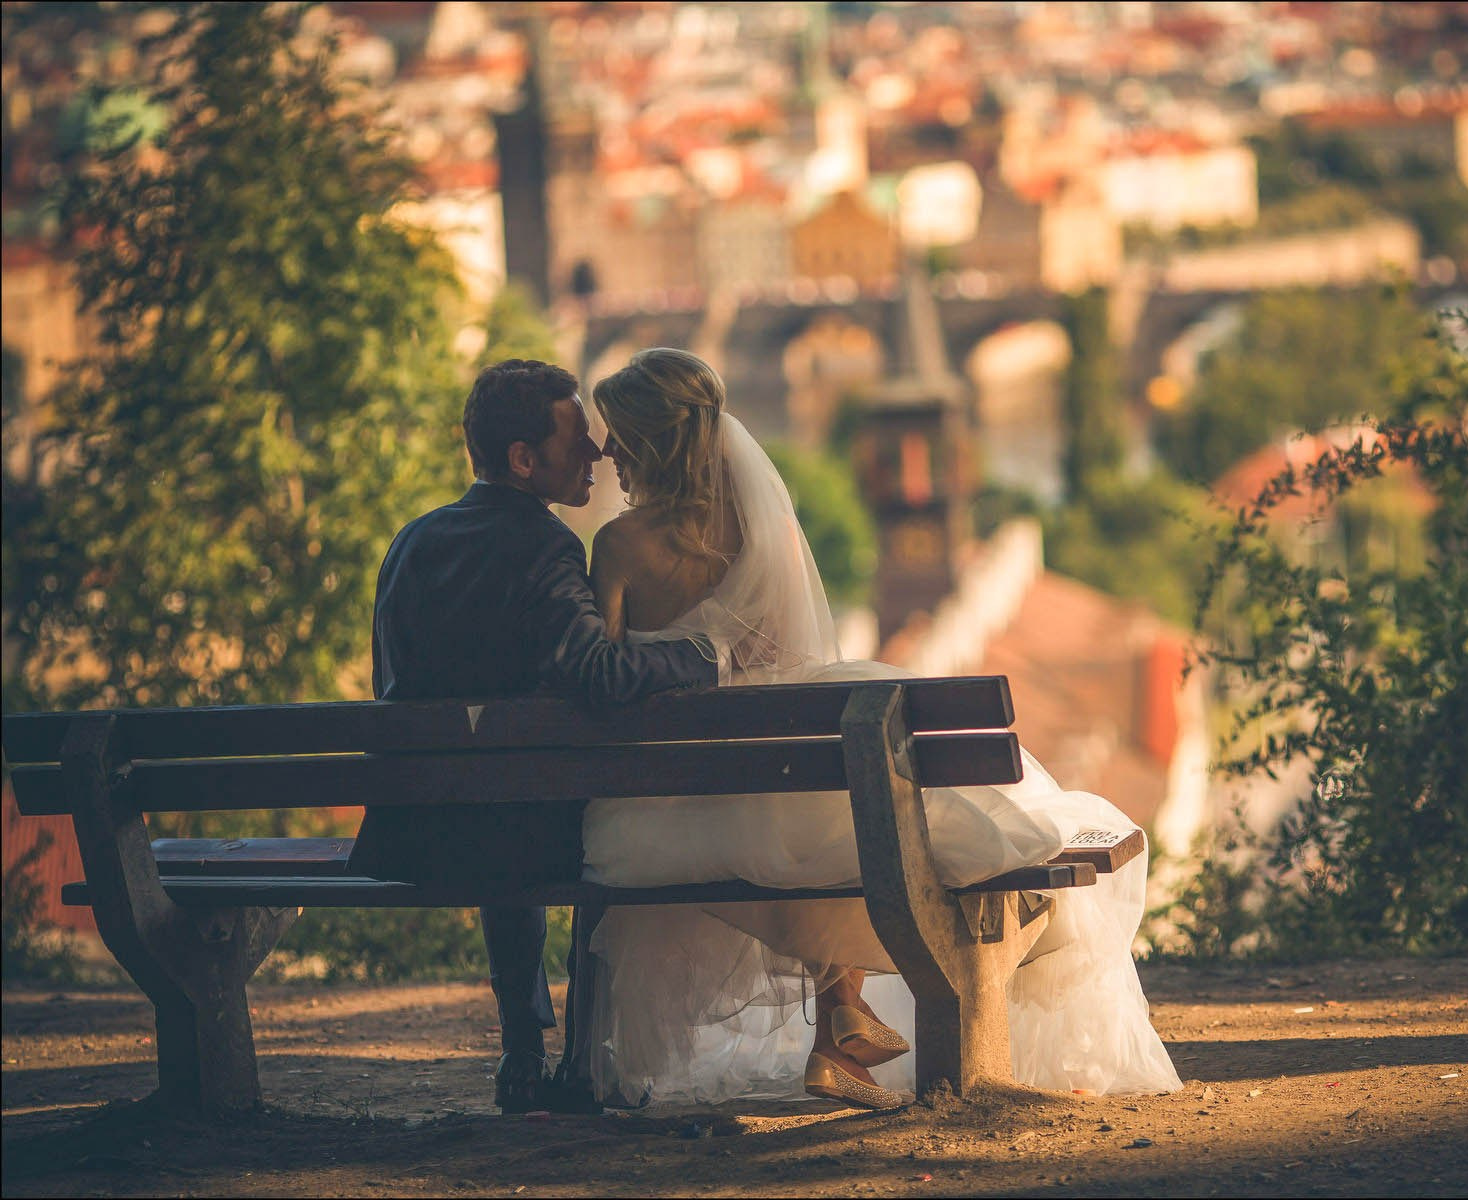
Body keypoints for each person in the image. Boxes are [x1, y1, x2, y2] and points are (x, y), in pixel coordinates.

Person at [579, 348, 1183, 1110]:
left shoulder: (620, 546)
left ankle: (842, 1023)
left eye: (616, 434)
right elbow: (790, 659)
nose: (607, 451)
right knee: (839, 812)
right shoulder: (759, 529)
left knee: (797, 828)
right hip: (777, 780)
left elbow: (599, 679)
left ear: (651, 441)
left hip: (669, 802)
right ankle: (841, 1017)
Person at [348, 359, 718, 1114]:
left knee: (504, 801)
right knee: (610, 826)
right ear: (523, 460)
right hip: (525, 831)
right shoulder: (546, 549)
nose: (596, 455)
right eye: (575, 440)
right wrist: (707, 655)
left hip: (416, 829)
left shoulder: (411, 543)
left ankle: (523, 1047)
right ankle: (579, 1056)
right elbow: (600, 673)